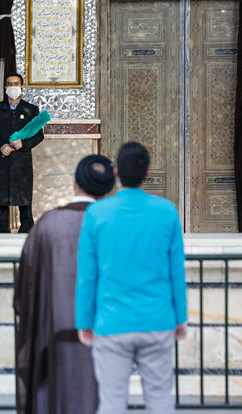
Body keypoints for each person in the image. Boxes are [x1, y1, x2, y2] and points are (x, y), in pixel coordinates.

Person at [76, 142, 188, 414]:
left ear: (116, 173)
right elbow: (176, 270)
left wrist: (84, 321)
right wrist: (180, 317)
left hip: (112, 322)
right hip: (157, 320)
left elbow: (87, 276)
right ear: (147, 172)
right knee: (160, 399)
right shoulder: (166, 211)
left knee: (112, 402)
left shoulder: (97, 214)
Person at [14, 155, 115, 414]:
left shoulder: (48, 224)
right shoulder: (111, 224)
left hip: (54, 331)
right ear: (107, 189)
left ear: (74, 184)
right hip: (105, 333)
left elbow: (25, 287)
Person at [0, 72, 45, 233]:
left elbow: (39, 135)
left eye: (16, 84)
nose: (13, 87)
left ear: (22, 87)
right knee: (1, 199)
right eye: (9, 84)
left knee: (24, 199)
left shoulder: (31, 110)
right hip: (2, 159)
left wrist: (23, 143)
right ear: (5, 87)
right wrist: (1, 146)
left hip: (22, 161)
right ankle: (0, 231)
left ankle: (26, 231)